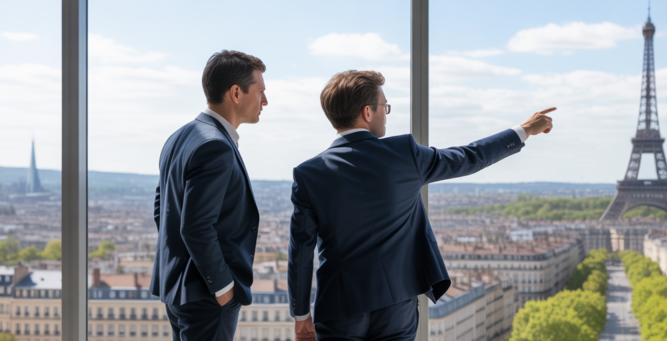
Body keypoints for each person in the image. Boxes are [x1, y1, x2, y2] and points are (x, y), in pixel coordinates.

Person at [288, 70, 555, 340]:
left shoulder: (308, 173)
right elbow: (470, 156)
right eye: (385, 107)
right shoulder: (405, 154)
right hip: (398, 301)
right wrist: (524, 130)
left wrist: (301, 315)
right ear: (367, 112)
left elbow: (300, 251)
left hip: (340, 305)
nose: (385, 114)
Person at [151, 50, 268, 341]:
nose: (265, 101)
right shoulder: (215, 145)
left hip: (180, 289)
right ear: (236, 93)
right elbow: (195, 226)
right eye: (261, 92)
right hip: (207, 294)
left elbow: (162, 208)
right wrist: (223, 287)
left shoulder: (180, 137)